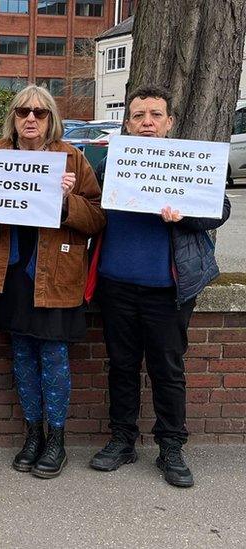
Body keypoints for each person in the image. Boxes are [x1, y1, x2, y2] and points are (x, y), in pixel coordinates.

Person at [87, 85, 231, 488]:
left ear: (169, 122)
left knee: (168, 369)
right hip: (116, 284)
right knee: (122, 366)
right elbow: (90, 205)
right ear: (128, 123)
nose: (147, 122)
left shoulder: (190, 162)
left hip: (168, 289)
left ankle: (171, 446)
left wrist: (183, 216)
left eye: (155, 115)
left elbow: (220, 209)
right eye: (138, 115)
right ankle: (122, 439)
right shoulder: (111, 161)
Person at [0, 85, 104, 479]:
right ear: (13, 118)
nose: (31, 118)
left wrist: (68, 202)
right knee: (23, 357)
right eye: (23, 111)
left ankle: (57, 440)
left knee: (53, 357)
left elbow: (98, 218)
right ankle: (32, 435)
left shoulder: (72, 159)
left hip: (56, 277)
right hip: (12, 275)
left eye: (40, 112)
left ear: (51, 120)